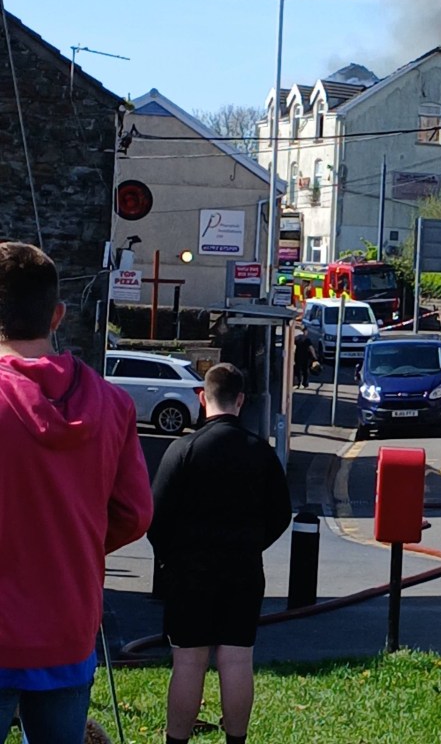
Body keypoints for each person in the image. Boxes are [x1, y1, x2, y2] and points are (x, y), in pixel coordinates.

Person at [0, 242, 153, 744]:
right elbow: (134, 513)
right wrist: (72, 539)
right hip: (68, 627)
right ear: (58, 315)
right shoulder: (114, 403)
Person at [149, 363, 292, 744]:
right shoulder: (261, 453)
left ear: (202, 398)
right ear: (241, 400)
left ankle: (176, 740)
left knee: (188, 662)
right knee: (237, 659)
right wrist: (249, 544)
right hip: (243, 570)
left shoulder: (183, 450)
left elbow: (155, 516)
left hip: (189, 573)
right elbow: (280, 514)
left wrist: (171, 558)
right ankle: (236, 741)